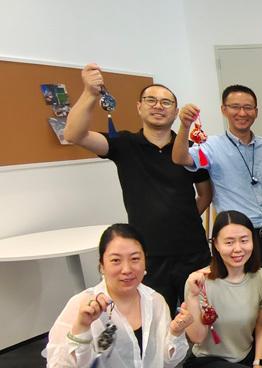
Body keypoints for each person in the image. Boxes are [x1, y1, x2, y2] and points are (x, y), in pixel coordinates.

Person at [65, 64, 211, 315]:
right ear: (139, 107)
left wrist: (182, 216)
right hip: (148, 253)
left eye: (166, 103)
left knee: (199, 315)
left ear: (176, 111)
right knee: (154, 317)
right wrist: (90, 93)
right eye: (151, 100)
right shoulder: (124, 145)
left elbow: (206, 194)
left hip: (192, 249)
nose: (158, 106)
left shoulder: (190, 149)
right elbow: (74, 133)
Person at [44, 224, 192, 368]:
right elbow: (59, 364)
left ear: (145, 261)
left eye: (135, 259)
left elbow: (167, 362)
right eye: (115, 260)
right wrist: (82, 327)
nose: (127, 269)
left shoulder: (155, 301)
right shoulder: (81, 305)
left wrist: (176, 332)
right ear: (102, 265)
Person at [173, 86, 262, 275]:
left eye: (248, 107)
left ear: (256, 111)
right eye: (235, 107)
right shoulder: (212, 146)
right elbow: (180, 158)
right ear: (224, 110)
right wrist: (184, 126)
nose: (242, 113)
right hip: (238, 236)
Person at [182, 211, 262, 368]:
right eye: (229, 242)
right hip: (207, 361)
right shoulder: (199, 281)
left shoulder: (261, 277)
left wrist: (259, 363)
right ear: (216, 244)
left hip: (245, 358)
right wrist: (191, 296)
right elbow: (197, 337)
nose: (238, 249)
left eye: (244, 240)